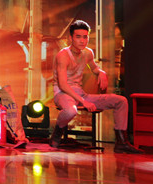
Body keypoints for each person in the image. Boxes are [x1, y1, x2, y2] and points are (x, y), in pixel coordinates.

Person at [49, 20, 142, 153]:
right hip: (63, 94)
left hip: (80, 94)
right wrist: (83, 101)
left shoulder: (88, 53)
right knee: (71, 111)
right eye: (78, 37)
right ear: (70, 38)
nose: (82, 41)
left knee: (121, 101)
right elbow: (63, 85)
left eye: (85, 37)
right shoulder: (63, 55)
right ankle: (57, 133)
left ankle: (121, 142)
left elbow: (94, 67)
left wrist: (101, 72)